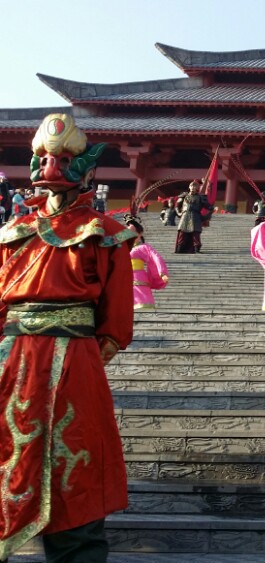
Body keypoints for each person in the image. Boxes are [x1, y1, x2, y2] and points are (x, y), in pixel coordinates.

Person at [0, 113, 134, 562]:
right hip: (10, 359)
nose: (50, 166)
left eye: (63, 157)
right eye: (41, 156)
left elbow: (116, 323)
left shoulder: (106, 235)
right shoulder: (12, 236)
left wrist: (84, 361)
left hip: (74, 361)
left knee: (73, 463)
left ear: (87, 167)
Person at [124, 215, 170, 310]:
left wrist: (162, 273)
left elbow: (156, 257)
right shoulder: (122, 248)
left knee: (140, 303)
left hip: (137, 276)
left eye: (133, 233)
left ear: (140, 234)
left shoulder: (143, 248)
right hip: (123, 276)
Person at [175, 180, 207, 253]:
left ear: (197, 188)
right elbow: (177, 206)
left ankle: (196, 249)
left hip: (195, 216)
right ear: (189, 187)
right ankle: (179, 249)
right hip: (185, 215)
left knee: (195, 233)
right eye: (191, 186)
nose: (193, 187)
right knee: (182, 233)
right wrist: (179, 213)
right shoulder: (184, 196)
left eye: (195, 186)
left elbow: (207, 205)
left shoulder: (200, 197)